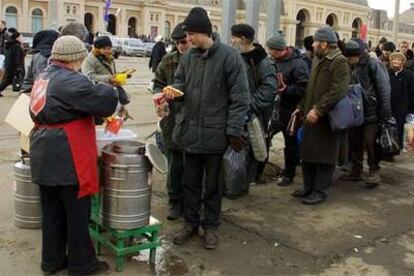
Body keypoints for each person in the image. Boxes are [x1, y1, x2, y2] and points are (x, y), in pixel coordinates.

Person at [29, 36, 123, 275]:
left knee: (52, 213)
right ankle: (82, 264)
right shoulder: (71, 80)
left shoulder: (44, 76)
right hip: (65, 153)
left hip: (43, 152)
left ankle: (52, 261)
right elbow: (102, 102)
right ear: (75, 58)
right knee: (76, 213)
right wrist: (112, 89)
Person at [164, 7, 250, 249]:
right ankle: (190, 223)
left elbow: (241, 97)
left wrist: (233, 130)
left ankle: (210, 226)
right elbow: (181, 82)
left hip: (215, 134)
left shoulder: (229, 57)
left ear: (204, 32)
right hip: (190, 132)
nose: (188, 39)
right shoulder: (188, 57)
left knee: (212, 185)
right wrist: (174, 91)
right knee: (190, 182)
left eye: (191, 34)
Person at [293, 26, 349, 204]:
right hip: (310, 115)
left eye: (316, 42)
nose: (313, 45)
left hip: (326, 118)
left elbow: (337, 90)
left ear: (324, 44)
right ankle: (308, 186)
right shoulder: (319, 58)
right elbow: (311, 87)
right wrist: (301, 107)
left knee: (325, 157)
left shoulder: (339, 61)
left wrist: (318, 109)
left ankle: (319, 191)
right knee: (308, 153)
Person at [153, 22, 193, 220]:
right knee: (175, 165)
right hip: (172, 120)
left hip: (194, 121)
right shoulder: (168, 60)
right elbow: (157, 84)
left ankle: (192, 204)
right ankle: (175, 202)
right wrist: (160, 102)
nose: (181, 46)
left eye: (184, 41)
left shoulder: (202, 60)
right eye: (177, 43)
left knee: (193, 166)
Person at [230, 23, 277, 186]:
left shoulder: (263, 63)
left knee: (253, 148)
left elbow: (270, 90)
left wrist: (248, 105)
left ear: (243, 39)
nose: (231, 41)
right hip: (235, 113)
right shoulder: (234, 58)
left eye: (233, 37)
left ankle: (247, 180)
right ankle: (233, 180)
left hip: (254, 115)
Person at [341, 39, 391, 188]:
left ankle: (374, 171)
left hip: (371, 112)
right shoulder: (349, 65)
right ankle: (356, 170)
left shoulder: (372, 64)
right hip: (355, 111)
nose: (350, 59)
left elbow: (384, 89)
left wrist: (385, 112)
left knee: (371, 144)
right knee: (354, 141)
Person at [266, 33, 309, 187]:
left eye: (272, 49)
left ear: (281, 49)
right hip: (278, 108)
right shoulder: (274, 62)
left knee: (290, 142)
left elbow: (304, 89)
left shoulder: (298, 64)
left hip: (292, 110)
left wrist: (285, 90)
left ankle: (289, 174)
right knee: (268, 136)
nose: (270, 52)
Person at [388, 52, 414, 151]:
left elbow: (412, 92)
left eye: (398, 60)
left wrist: (411, 110)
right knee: (388, 128)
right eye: (394, 59)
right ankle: (388, 148)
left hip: (402, 108)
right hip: (389, 106)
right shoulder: (387, 73)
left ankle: (396, 149)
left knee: (399, 128)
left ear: (403, 62)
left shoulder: (409, 75)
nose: (396, 61)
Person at [0, 28, 25, 97]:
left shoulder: (12, 45)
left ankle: (22, 91)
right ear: (17, 38)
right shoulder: (16, 46)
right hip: (14, 66)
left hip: (10, 66)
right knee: (10, 80)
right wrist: (19, 67)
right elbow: (18, 57)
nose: (22, 38)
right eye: (21, 37)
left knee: (9, 80)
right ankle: (22, 91)